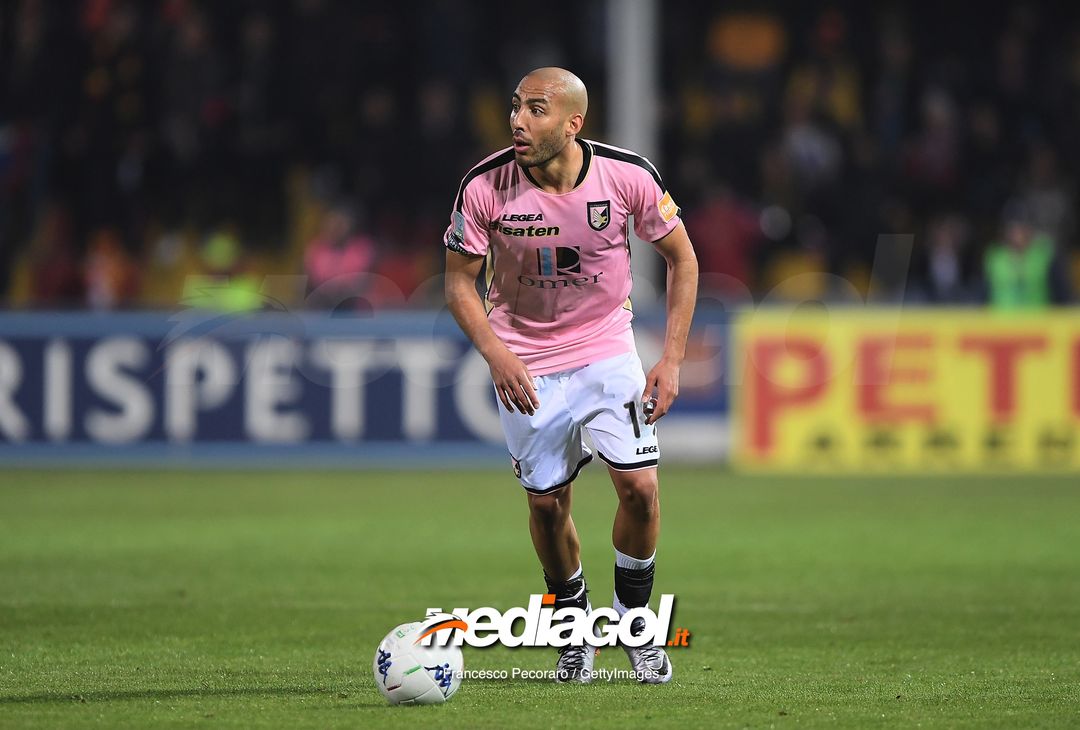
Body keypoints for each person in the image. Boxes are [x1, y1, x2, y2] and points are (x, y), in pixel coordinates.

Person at [443, 68, 698, 684]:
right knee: (547, 504)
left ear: (572, 122)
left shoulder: (628, 175)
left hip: (607, 348)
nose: (517, 122)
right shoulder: (483, 186)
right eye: (515, 108)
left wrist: (671, 358)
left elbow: (683, 260)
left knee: (640, 488)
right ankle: (575, 631)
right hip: (525, 357)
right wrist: (498, 355)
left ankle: (635, 626)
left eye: (535, 110)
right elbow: (458, 284)